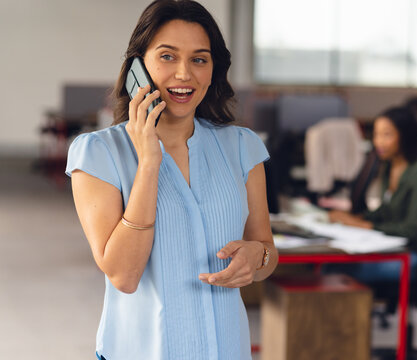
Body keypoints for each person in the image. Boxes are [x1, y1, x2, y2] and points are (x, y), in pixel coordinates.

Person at [65, 1, 277, 359]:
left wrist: (258, 257)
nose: (184, 74)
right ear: (138, 67)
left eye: (199, 59)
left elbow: (267, 254)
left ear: (213, 70)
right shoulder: (98, 154)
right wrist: (149, 163)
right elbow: (124, 275)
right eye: (167, 57)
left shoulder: (242, 147)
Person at [327, 106, 417, 283]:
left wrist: (364, 225)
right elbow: (387, 211)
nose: (378, 142)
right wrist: (355, 218)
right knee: (332, 265)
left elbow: (410, 229)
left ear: (404, 136)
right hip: (399, 250)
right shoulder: (389, 166)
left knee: (341, 269)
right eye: (376, 135)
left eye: (387, 135)